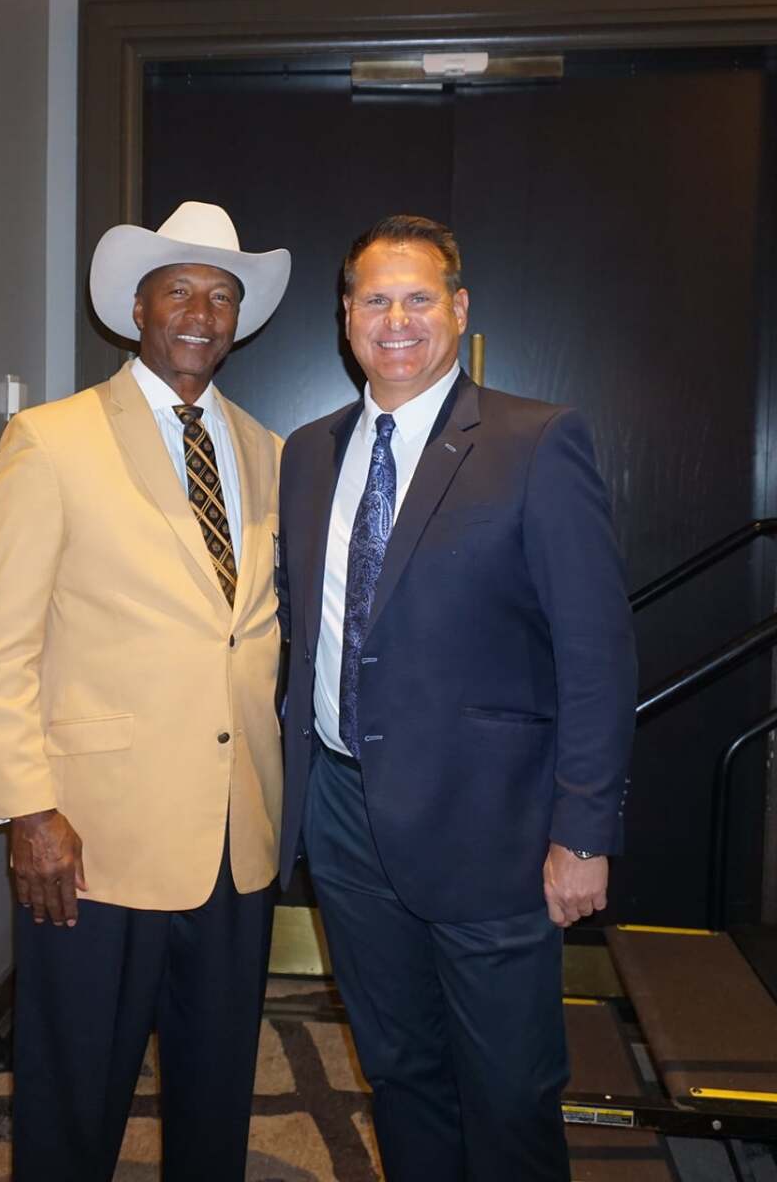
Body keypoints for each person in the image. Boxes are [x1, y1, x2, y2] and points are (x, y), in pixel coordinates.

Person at [275, 214, 638, 1180]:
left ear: (460, 309)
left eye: (418, 298)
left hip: (495, 827)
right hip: (344, 817)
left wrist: (585, 829)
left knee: (510, 1088)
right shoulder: (308, 454)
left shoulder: (536, 440)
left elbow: (596, 652)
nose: (397, 320)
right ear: (346, 315)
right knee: (398, 1069)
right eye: (375, 300)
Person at [0, 201, 291, 1181]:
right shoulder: (49, 440)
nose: (201, 310)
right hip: (91, 841)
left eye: (221, 294)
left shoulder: (267, 450)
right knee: (73, 1098)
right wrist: (30, 809)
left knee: (217, 1092)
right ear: (138, 308)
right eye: (179, 289)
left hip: (237, 836)